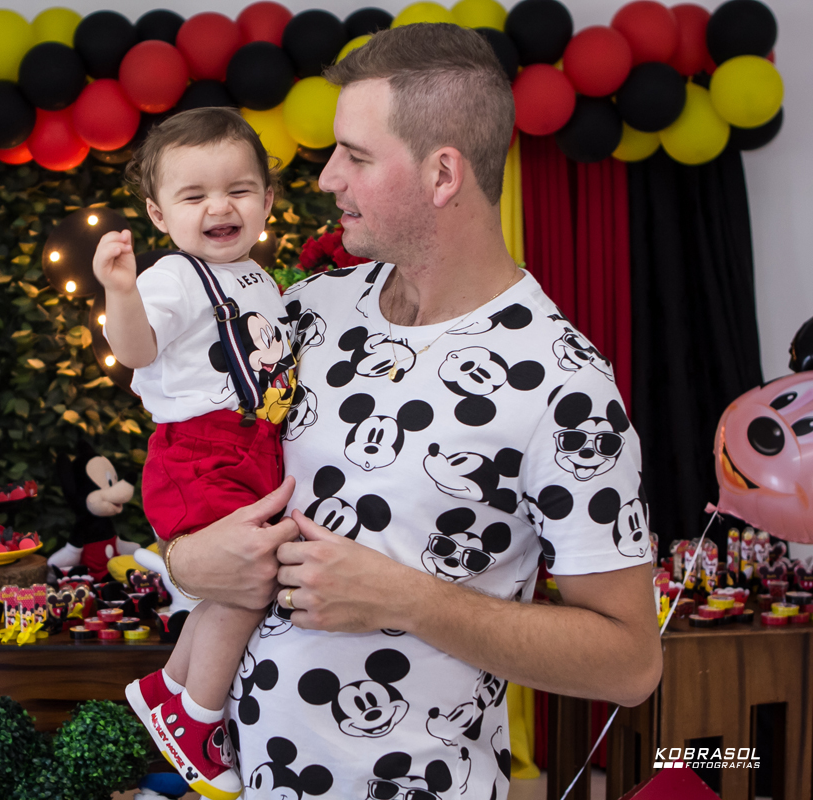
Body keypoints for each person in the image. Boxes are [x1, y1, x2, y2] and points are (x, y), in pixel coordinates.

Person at [163, 24, 664, 799]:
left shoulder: (564, 386)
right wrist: (187, 561)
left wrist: (405, 599)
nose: (328, 178)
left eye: (356, 157)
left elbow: (631, 662)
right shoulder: (306, 310)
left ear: (442, 174)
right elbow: (206, 479)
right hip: (244, 779)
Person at [93, 107, 296, 800]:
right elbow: (136, 348)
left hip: (252, 442)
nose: (220, 206)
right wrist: (121, 291)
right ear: (157, 213)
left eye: (239, 189)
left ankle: (170, 687)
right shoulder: (172, 278)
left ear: (267, 199)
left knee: (241, 579)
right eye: (194, 195)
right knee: (248, 579)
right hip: (200, 450)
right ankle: (197, 717)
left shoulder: (260, 280)